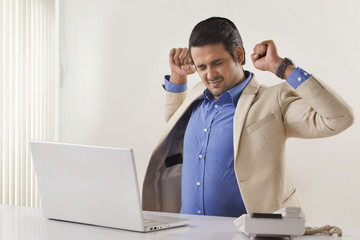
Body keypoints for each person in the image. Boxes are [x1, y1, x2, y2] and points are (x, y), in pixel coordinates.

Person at [142, 17, 354, 218]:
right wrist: (178, 78)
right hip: (189, 231)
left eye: (217, 62)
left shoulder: (273, 100)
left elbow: (338, 118)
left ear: (239, 55)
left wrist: (282, 68)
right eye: (202, 67)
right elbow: (174, 124)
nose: (210, 75)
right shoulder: (197, 95)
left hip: (252, 233)